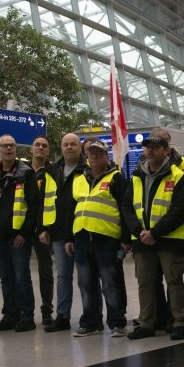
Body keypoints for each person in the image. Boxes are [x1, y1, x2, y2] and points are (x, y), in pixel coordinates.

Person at [123, 135, 184, 340]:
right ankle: (146, 323)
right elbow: (127, 207)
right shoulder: (136, 176)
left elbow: (179, 210)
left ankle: (179, 322)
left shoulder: (177, 176)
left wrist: (154, 232)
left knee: (174, 281)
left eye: (155, 147)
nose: (150, 151)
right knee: (145, 282)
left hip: (168, 240)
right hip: (142, 240)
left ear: (166, 150)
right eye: (147, 148)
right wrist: (139, 232)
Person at [64, 140, 129, 337]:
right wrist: (69, 237)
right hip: (82, 239)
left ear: (106, 156)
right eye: (91, 154)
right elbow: (71, 210)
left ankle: (117, 322)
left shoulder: (116, 178)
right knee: (85, 283)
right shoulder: (79, 179)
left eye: (99, 154)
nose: (94, 157)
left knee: (110, 282)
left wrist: (126, 240)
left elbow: (126, 210)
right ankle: (90, 322)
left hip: (106, 239)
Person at [0, 134, 41, 333]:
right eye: (4, 146)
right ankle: (9, 315)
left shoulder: (26, 173)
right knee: (6, 277)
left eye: (12, 146)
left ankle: (27, 316)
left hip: (19, 236)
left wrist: (24, 232)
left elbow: (34, 206)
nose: (8, 149)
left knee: (21, 276)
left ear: (16, 150)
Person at [146, 127, 184, 331]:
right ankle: (159, 317)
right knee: (151, 279)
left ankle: (176, 317)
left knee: (174, 278)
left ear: (168, 146)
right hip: (149, 235)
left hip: (173, 232)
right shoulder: (143, 167)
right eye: (151, 143)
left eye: (161, 142)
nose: (155, 147)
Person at [39, 133, 87, 333]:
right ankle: (63, 316)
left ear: (79, 147)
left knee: (85, 277)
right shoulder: (52, 171)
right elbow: (45, 201)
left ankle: (91, 316)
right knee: (63, 276)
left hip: (82, 231)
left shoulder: (87, 169)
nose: (69, 147)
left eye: (73, 144)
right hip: (58, 232)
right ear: (61, 147)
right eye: (66, 144)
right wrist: (44, 227)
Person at [29, 136, 55, 326]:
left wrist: (45, 227)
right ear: (31, 149)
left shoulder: (53, 173)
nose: (40, 148)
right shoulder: (21, 171)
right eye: (37, 145)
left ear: (48, 151)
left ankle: (47, 310)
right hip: (21, 229)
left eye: (44, 146)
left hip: (43, 230)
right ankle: (23, 311)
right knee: (20, 273)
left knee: (45, 271)